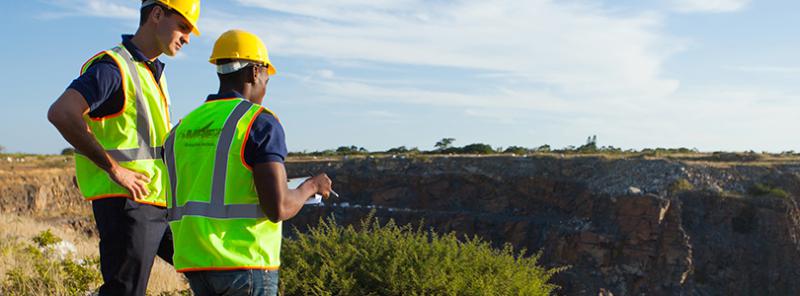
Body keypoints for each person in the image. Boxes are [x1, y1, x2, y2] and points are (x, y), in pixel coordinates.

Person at [162, 29, 333, 296]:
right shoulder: (259, 122)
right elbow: (278, 207)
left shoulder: (183, 128)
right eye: (267, 77)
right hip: (245, 265)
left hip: (196, 266)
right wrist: (312, 186)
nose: (266, 85)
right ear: (255, 72)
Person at [46, 1, 201, 295]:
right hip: (128, 203)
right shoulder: (113, 67)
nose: (187, 37)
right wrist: (115, 170)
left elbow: (144, 139)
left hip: (159, 200)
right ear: (157, 14)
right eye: (183, 26)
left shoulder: (153, 71)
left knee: (205, 269)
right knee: (125, 292)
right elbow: (62, 112)